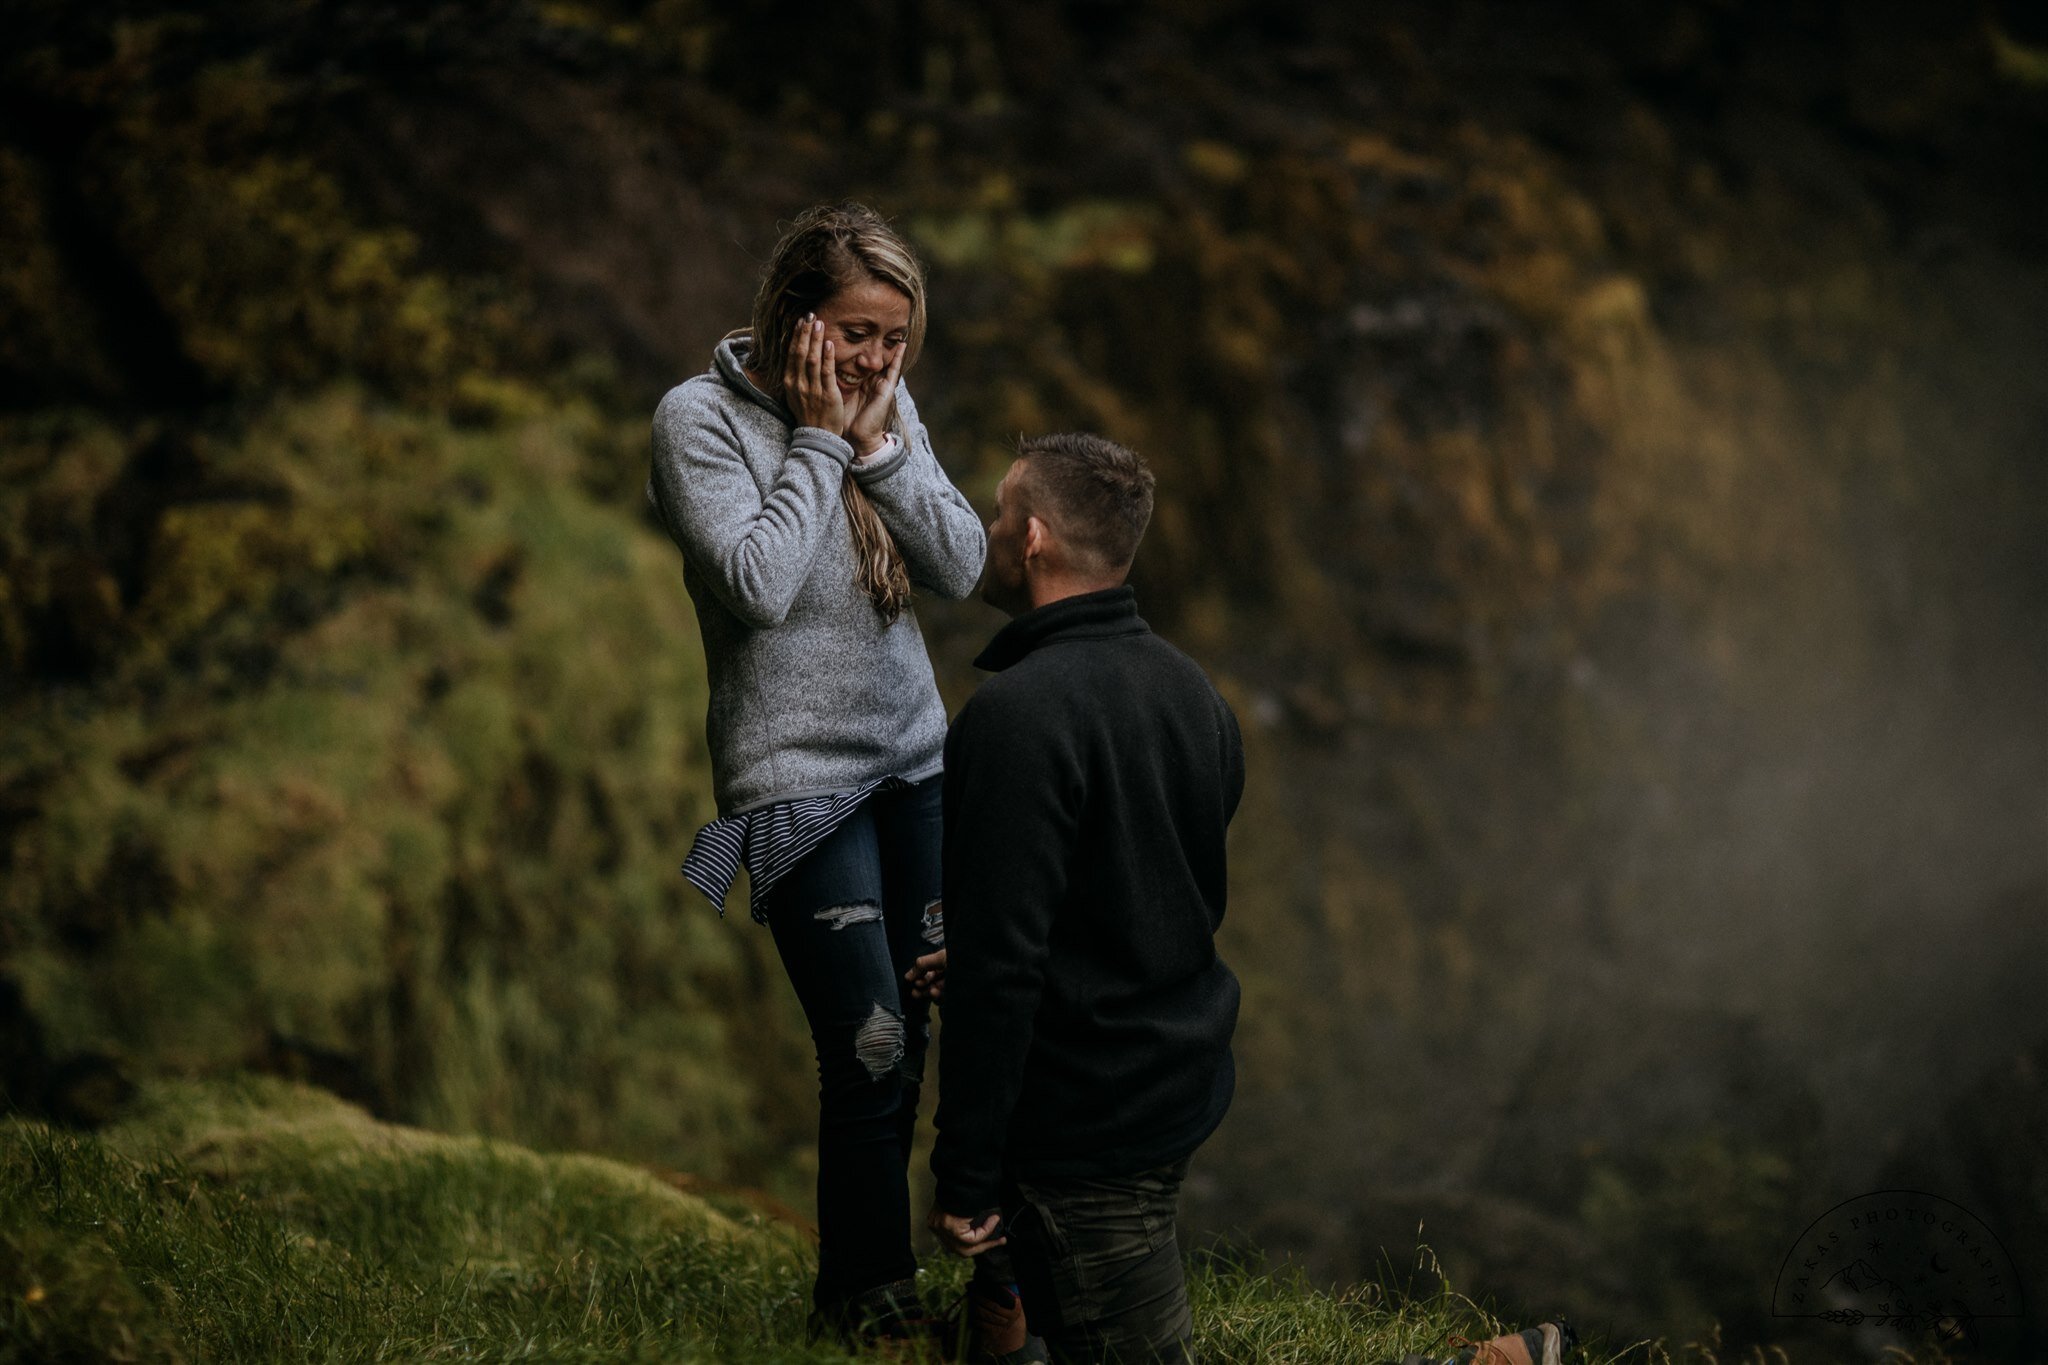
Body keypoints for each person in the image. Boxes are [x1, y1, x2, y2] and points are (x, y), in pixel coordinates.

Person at [646, 202, 986, 1345]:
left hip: (918, 768)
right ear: (793, 318)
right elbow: (757, 583)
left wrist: (881, 442)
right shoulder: (695, 420)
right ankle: (866, 1306)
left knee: (923, 1034)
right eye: (854, 332)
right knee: (868, 1043)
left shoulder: (889, 409)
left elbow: (960, 560)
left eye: (894, 337)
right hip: (794, 786)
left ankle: (893, 1285)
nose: (875, 360)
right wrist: (819, 438)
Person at [921, 433, 1245, 1364]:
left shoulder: (1017, 717)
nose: (985, 530)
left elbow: (1009, 970)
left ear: (1031, 540)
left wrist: (967, 1176)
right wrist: (992, 951)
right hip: (1170, 1087)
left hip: (1085, 1133)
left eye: (995, 513)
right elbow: (1140, 886)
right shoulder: (1195, 696)